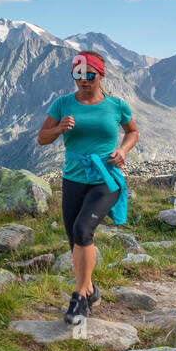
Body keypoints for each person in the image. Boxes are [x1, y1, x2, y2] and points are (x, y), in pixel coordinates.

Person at [37, 51, 139, 325]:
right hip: (73, 181)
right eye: (78, 75)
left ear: (101, 74)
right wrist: (59, 128)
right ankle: (91, 290)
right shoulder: (62, 104)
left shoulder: (116, 105)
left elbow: (133, 132)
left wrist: (124, 151)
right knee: (75, 241)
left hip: (105, 179)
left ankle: (79, 298)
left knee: (84, 231)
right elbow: (42, 139)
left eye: (89, 75)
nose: (83, 80)